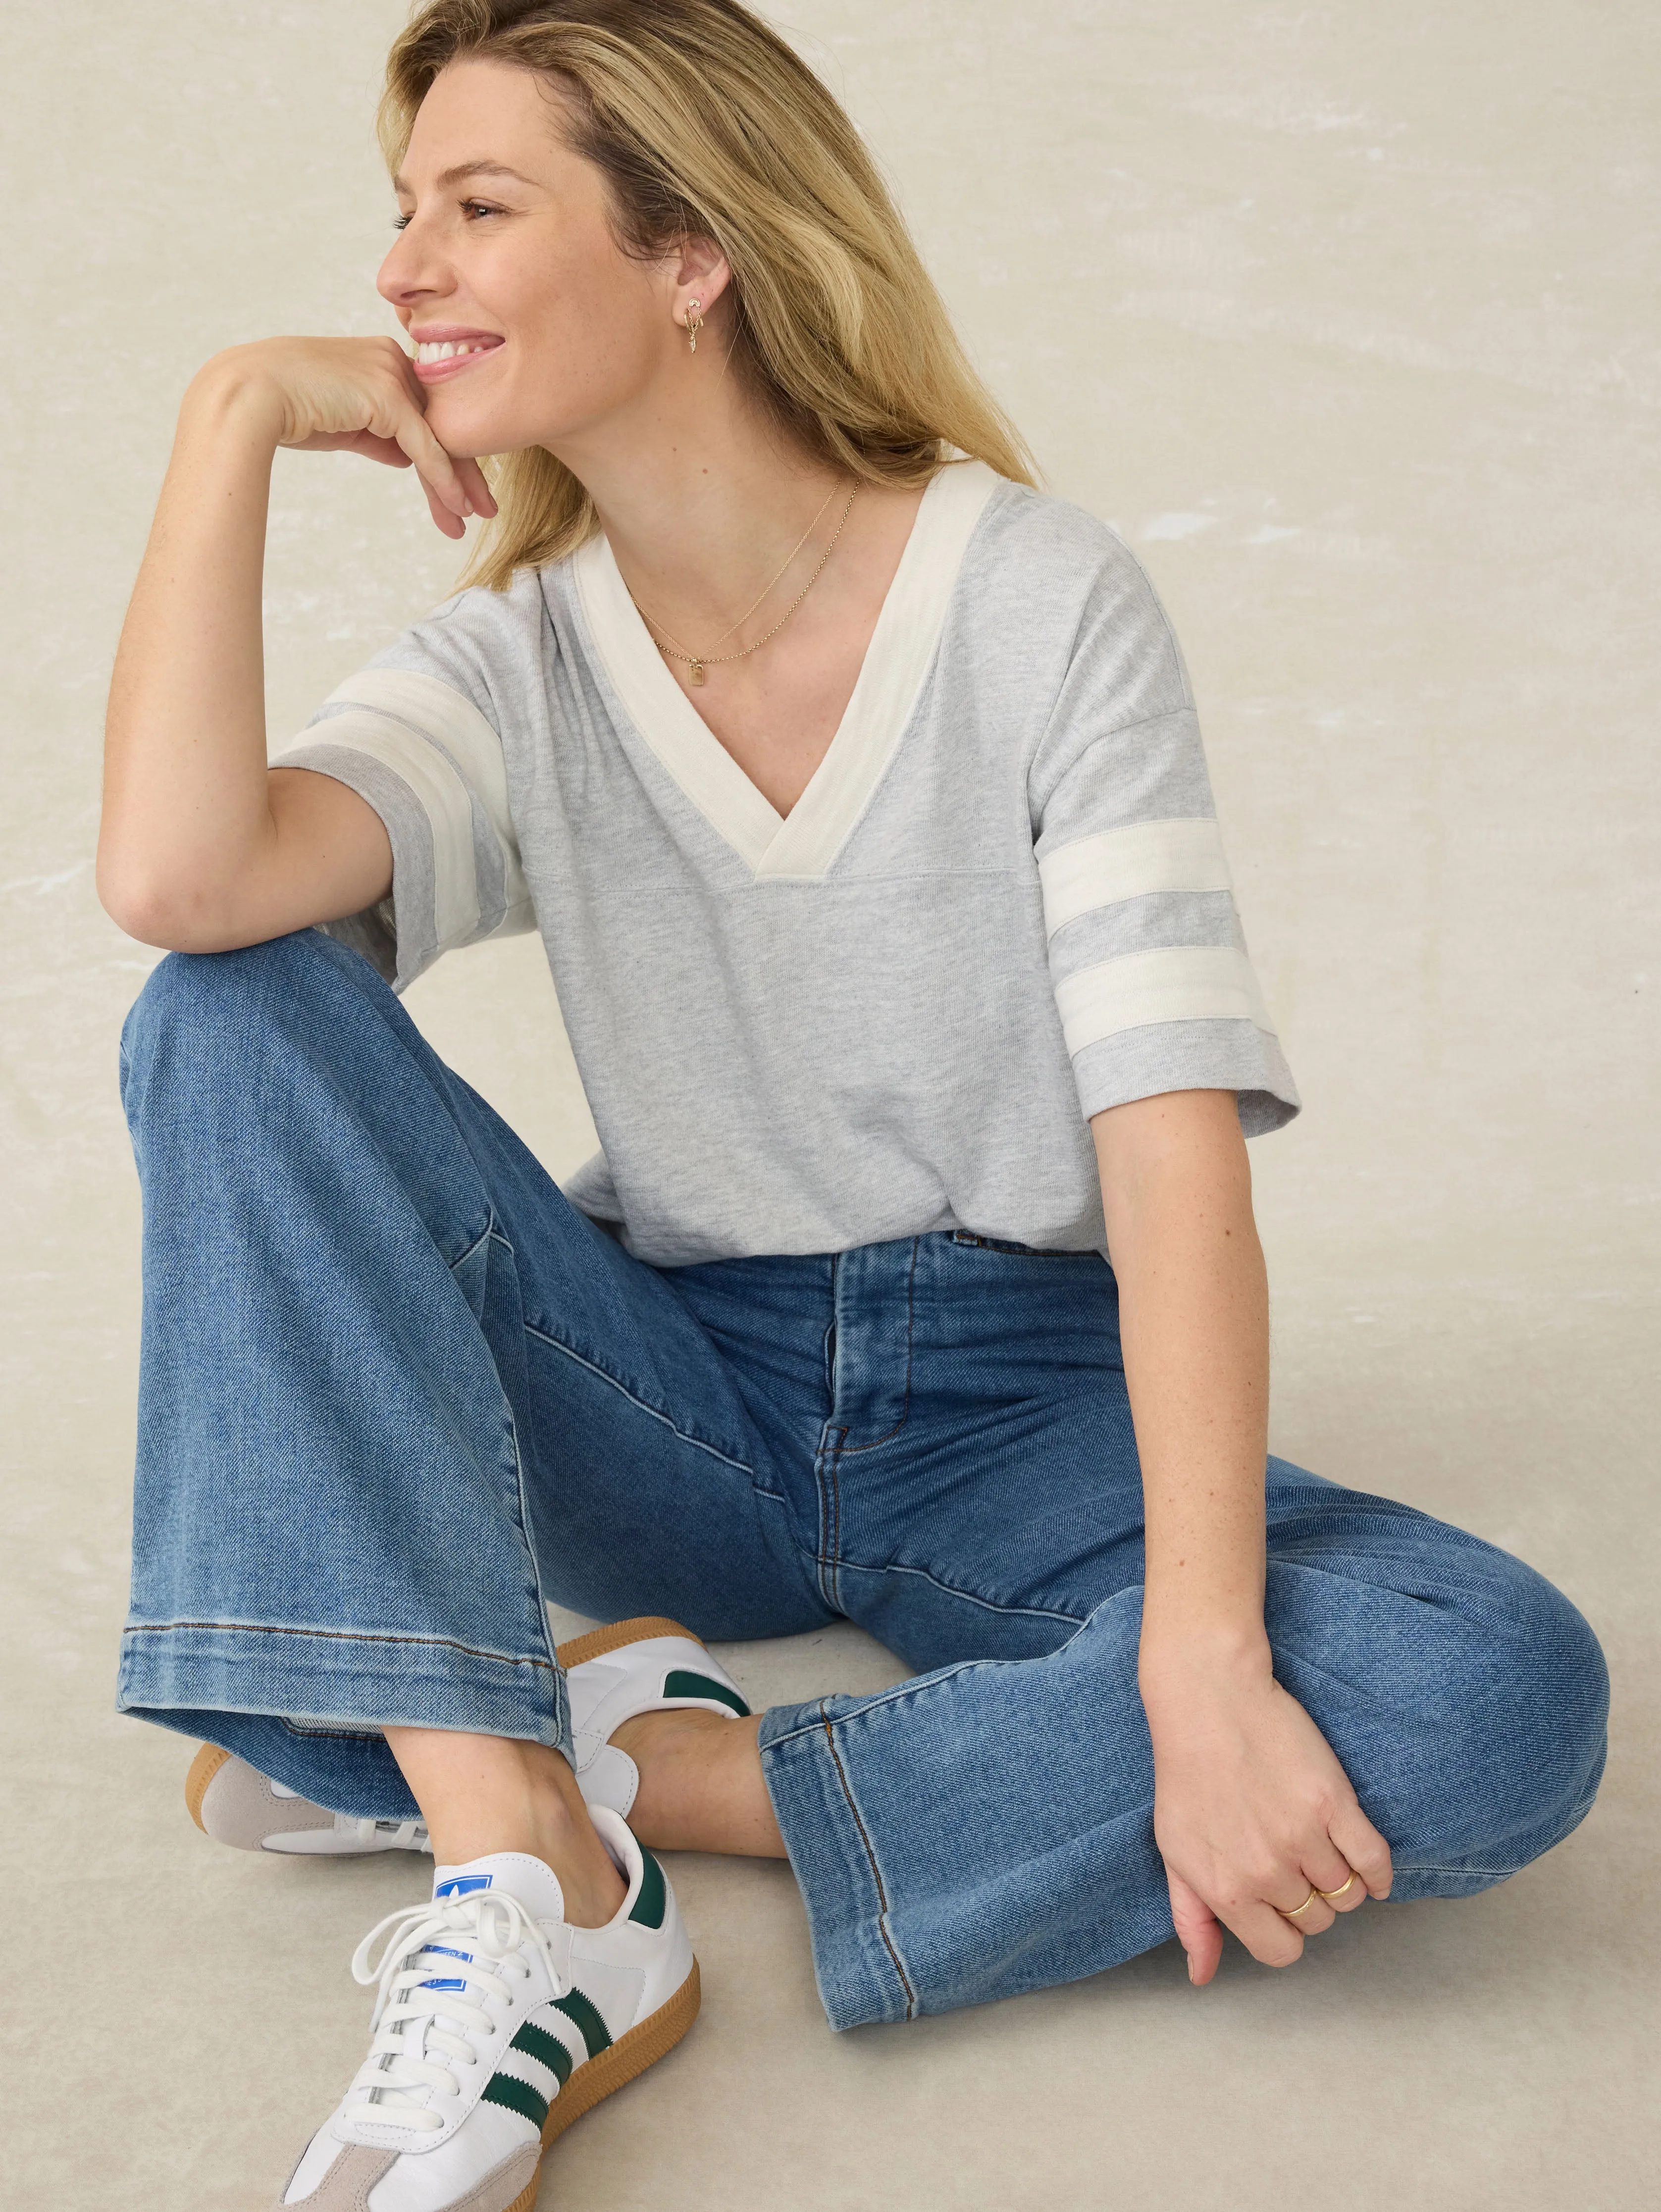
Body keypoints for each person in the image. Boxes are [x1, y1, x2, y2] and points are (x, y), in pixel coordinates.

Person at [98, 3, 1609, 2207]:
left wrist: (1197, 1659)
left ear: (691, 252)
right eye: (400, 216)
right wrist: (223, 417)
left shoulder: (1034, 600)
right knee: (218, 1010)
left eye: (480, 206)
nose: (407, 268)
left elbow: (1167, 1144)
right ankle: (527, 1862)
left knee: (1493, 1696)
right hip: (661, 1397)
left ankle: (568, 1754)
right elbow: (182, 885)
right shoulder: (514, 663)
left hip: (1012, 1412)